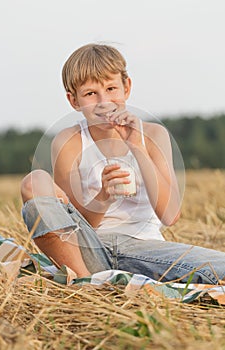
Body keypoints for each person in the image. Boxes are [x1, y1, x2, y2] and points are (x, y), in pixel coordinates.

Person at [21, 43, 225, 284]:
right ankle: (86, 284)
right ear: (73, 100)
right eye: (90, 94)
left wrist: (136, 145)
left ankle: (108, 281)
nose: (103, 101)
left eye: (111, 88)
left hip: (144, 249)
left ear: (126, 87)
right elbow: (72, 224)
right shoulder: (69, 141)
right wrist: (103, 197)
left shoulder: (153, 135)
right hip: (89, 250)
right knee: (34, 182)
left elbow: (170, 215)